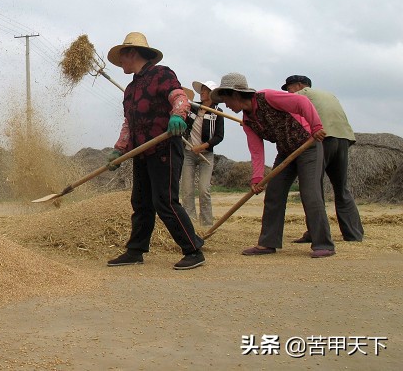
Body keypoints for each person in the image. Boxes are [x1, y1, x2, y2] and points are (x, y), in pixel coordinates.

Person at [105, 32, 205, 270]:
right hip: (141, 151)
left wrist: (178, 116)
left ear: (132, 53)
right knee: (140, 201)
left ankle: (193, 250)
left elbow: (179, 97)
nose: (121, 64)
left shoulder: (162, 74)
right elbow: (129, 123)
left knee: (165, 201)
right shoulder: (130, 90)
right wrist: (119, 150)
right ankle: (135, 250)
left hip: (164, 147)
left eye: (122, 58)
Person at [210, 73, 335, 258]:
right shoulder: (247, 121)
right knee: (274, 194)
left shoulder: (268, 97)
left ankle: (323, 244)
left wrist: (316, 127)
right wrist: (257, 178)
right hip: (286, 152)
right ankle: (268, 242)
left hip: (308, 145)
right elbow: (257, 151)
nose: (226, 105)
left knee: (310, 193)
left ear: (235, 94)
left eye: (226, 100)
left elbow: (303, 104)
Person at [282, 75, 363, 242]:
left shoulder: (301, 95)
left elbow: (285, 115)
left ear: (298, 85)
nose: (288, 93)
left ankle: (316, 234)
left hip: (321, 139)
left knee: (313, 189)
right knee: (342, 189)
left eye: (288, 88)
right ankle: (354, 234)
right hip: (343, 139)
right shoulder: (328, 95)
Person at [180, 80, 225, 226]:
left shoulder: (217, 112)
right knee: (187, 190)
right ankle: (189, 223)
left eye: (205, 90)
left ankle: (206, 224)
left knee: (204, 190)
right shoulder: (193, 108)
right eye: (202, 90)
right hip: (188, 153)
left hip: (206, 154)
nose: (202, 92)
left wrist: (202, 147)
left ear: (212, 93)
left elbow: (219, 136)